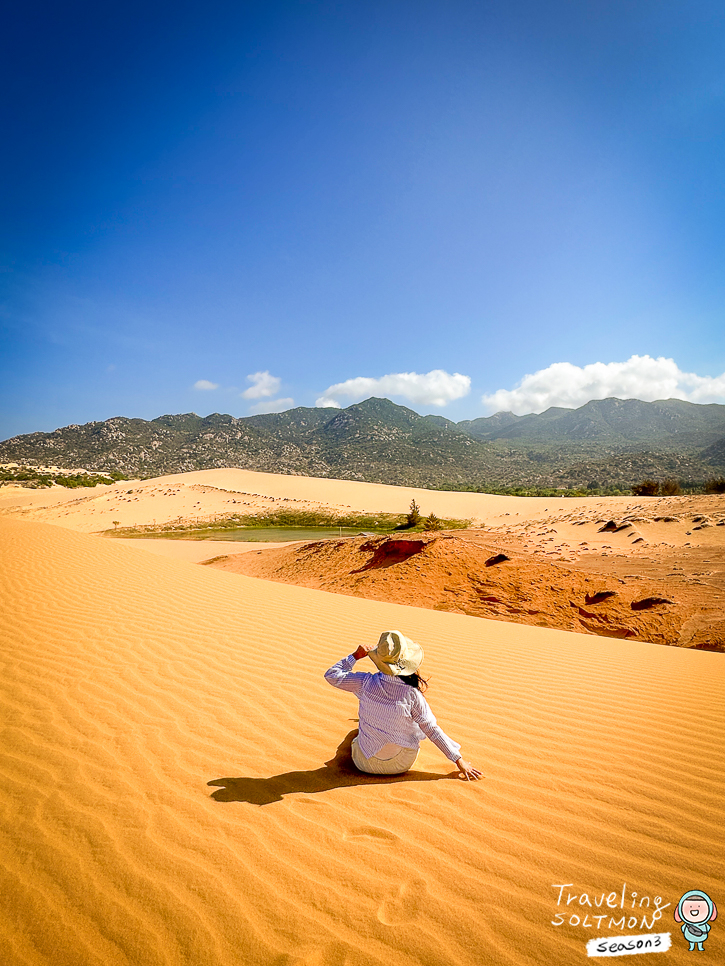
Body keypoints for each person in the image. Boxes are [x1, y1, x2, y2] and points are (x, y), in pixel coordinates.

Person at [324, 629, 481, 781]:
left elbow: (332, 675)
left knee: (355, 734)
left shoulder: (365, 682)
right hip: (400, 765)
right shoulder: (413, 695)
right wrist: (458, 760)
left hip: (363, 764)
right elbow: (431, 730)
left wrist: (355, 656)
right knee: (414, 727)